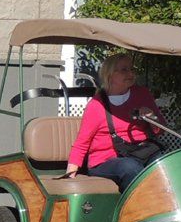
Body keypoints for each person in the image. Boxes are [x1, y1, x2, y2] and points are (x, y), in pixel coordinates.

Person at [65, 51, 165, 190]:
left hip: (142, 152)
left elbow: (160, 130)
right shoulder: (97, 105)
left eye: (132, 69)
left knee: (165, 164)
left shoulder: (142, 94)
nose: (130, 74)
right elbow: (82, 143)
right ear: (110, 75)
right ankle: (136, 210)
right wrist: (70, 174)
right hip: (106, 161)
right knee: (130, 167)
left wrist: (151, 117)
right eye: (124, 70)